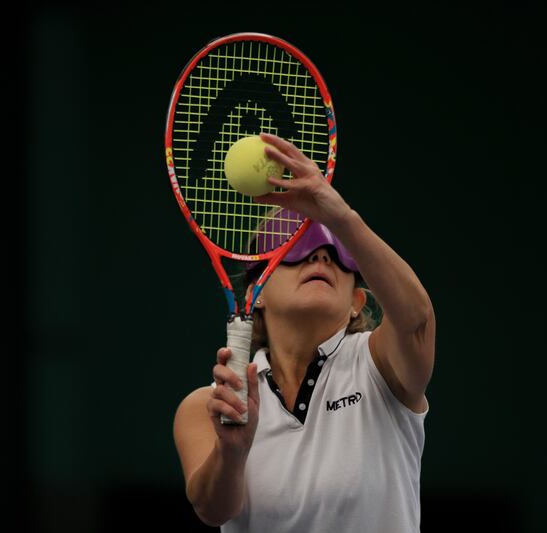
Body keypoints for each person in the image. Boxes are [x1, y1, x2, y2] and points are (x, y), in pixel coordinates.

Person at [173, 133, 436, 532]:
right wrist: (233, 450)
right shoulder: (207, 408)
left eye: (337, 256)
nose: (319, 255)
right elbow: (213, 510)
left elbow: (416, 321)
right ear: (255, 294)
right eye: (289, 249)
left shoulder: (380, 369)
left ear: (356, 303)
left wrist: (340, 218)